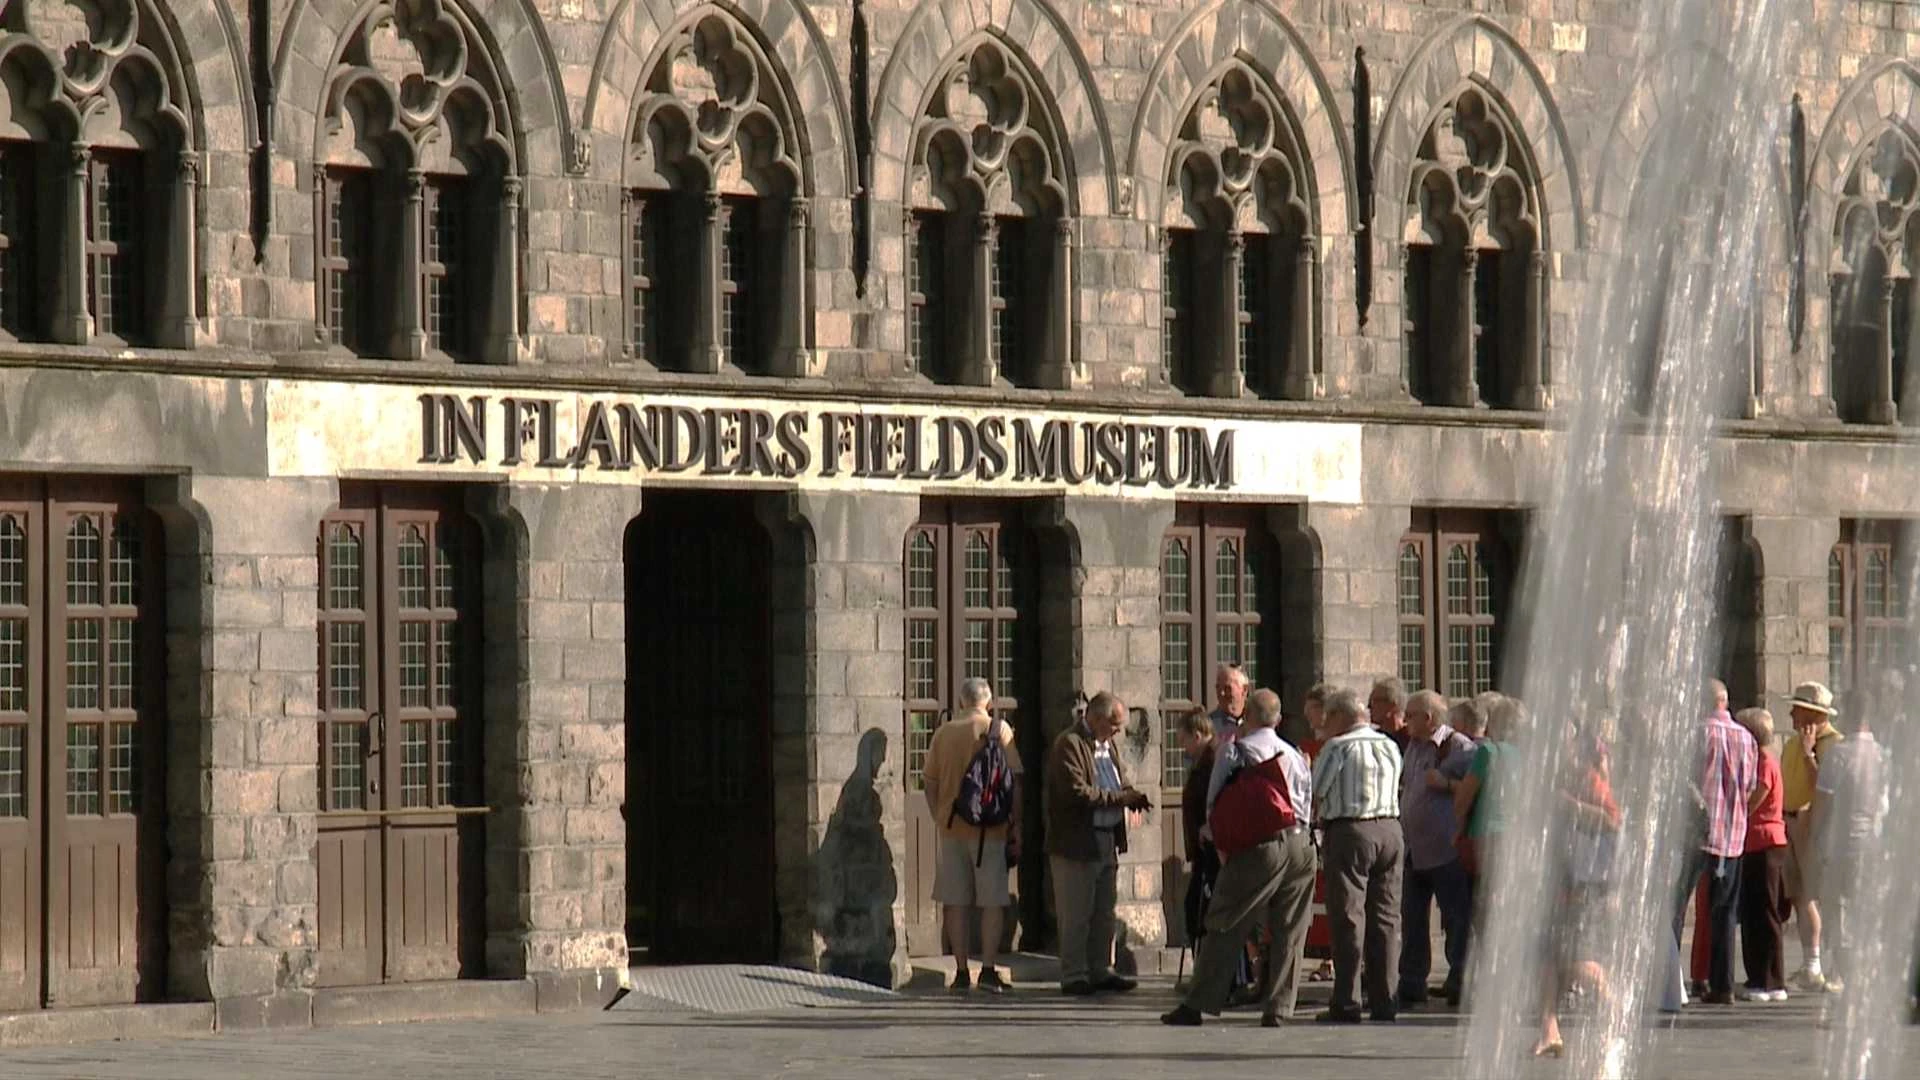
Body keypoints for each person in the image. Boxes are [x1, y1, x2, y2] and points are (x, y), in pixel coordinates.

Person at [1161, 690, 1317, 1027]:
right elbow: (1305, 803)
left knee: (1223, 920)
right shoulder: (1292, 753)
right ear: (1277, 719)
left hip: (1258, 848)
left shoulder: (1235, 751)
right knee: (1291, 927)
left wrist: (1221, 848)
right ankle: (1279, 1007)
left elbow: (1215, 805)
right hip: (1301, 845)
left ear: (1247, 716)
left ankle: (1198, 1003)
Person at [1045, 691, 1152, 995]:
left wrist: (1132, 796)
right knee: (1076, 912)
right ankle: (1074, 974)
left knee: (1104, 910)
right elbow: (1079, 792)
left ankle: (1100, 969)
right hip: (1077, 842)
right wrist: (1121, 798)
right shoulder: (1070, 744)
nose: (1118, 731)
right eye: (1114, 724)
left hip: (1106, 839)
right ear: (1095, 718)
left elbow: (1118, 782)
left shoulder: (1108, 745)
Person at [920, 677, 1023, 993]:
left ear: (962, 702)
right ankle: (989, 967)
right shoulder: (1000, 731)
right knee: (992, 901)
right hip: (990, 830)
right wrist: (1015, 824)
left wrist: (940, 815)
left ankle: (962, 970)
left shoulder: (944, 733)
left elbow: (930, 781)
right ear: (988, 702)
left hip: (952, 827)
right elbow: (1015, 780)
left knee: (955, 901)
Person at [1312, 688, 1405, 1023]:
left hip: (1351, 830)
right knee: (1386, 919)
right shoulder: (1390, 745)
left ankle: (1347, 1002)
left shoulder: (1338, 746)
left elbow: (1317, 790)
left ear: (1339, 716)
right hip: (1391, 829)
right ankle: (1385, 1000)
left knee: (1349, 917)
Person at [1535, 716, 1622, 1058]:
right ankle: (1548, 1030)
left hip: (1581, 883)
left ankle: (1614, 1005)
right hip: (1554, 879)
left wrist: (1570, 806)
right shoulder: (1547, 776)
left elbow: (1613, 821)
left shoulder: (1587, 777)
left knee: (1577, 962)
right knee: (1545, 957)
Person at [1672, 678, 1756, 1006]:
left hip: (1694, 832)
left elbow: (1682, 778)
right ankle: (1722, 985)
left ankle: (1671, 982)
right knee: (1724, 910)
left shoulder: (1695, 733)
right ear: (1726, 700)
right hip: (1732, 834)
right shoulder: (1746, 738)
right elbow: (1750, 785)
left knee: (1677, 906)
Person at [1397, 689, 1475, 1009]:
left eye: (1410, 715)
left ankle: (1460, 979)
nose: (1404, 721)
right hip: (1414, 848)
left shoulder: (1457, 746)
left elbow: (1475, 786)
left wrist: (1444, 784)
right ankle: (1412, 982)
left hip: (1446, 848)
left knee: (1456, 918)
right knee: (1412, 918)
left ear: (1428, 718)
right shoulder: (1412, 746)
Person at [1812, 700, 1887, 996]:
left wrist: (1815, 836)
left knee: (1837, 911)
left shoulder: (1839, 755)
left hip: (1842, 843)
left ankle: (1847, 972)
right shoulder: (1883, 755)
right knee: (1863, 910)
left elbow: (1823, 799)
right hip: (1873, 844)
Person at [1780, 681, 1842, 992]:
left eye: (1797, 709)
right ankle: (1810, 964)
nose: (1791, 714)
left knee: (1818, 897)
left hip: (1813, 824)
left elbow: (1828, 787)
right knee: (1800, 897)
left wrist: (1809, 755)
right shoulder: (1793, 743)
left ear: (1813, 714)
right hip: (1790, 822)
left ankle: (1830, 966)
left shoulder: (1833, 745)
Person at [1735, 707, 1790, 1002]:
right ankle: (1759, 976)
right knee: (1755, 912)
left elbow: (1757, 796)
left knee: (1766, 911)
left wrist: (1736, 806)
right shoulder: (1764, 759)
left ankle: (1771, 979)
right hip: (1758, 842)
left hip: (1764, 841)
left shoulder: (1765, 761)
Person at [1210, 664, 1250, 742]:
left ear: (1244, 690)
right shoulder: (1208, 726)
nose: (1222, 693)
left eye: (1227, 688)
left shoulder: (1257, 721)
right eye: (1218, 688)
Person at [1369, 677, 1410, 751]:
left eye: (1375, 701)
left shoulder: (1411, 739)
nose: (1369, 707)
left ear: (1392, 705)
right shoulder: (1372, 739)